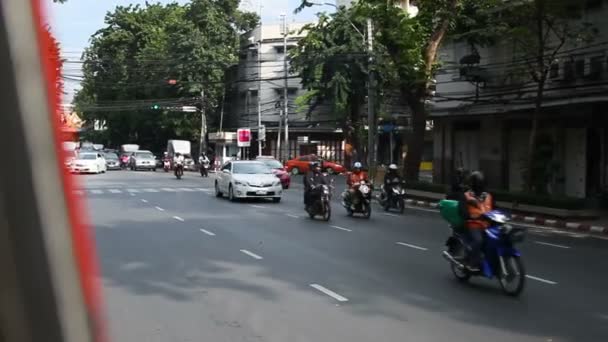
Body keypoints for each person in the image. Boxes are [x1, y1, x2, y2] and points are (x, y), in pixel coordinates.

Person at [458, 171, 496, 272]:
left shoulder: (488, 196)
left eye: (481, 183)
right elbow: (462, 211)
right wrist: (472, 216)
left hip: (488, 225)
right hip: (473, 225)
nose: (480, 185)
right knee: (478, 240)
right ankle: (472, 262)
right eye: (478, 183)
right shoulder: (466, 196)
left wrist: (504, 215)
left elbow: (496, 209)